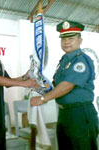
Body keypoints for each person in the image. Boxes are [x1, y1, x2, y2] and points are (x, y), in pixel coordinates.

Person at [30, 20, 99, 150]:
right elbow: (56, 85)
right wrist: (39, 85)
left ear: (80, 40)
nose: (66, 42)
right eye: (64, 39)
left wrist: (43, 99)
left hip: (80, 114)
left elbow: (68, 85)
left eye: (71, 38)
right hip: (65, 113)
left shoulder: (81, 60)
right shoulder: (64, 61)